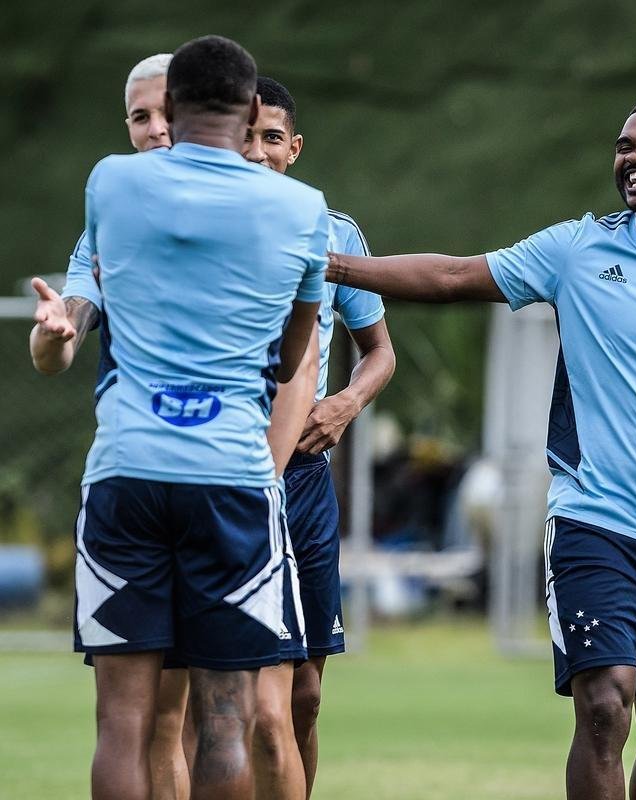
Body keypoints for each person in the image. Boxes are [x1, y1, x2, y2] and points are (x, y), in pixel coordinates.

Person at [324, 95, 636, 800]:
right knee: (604, 705)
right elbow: (452, 276)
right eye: (624, 146)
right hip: (593, 519)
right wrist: (330, 265)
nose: (634, 157)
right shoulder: (577, 249)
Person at [53, 35, 327, 800]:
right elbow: (292, 354)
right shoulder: (301, 209)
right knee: (226, 721)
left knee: (123, 725)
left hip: (127, 470)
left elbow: (101, 287)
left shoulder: (111, 182)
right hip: (231, 477)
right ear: (253, 112)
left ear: (169, 108)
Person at [28, 52, 194, 800]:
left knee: (220, 714)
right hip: (132, 477)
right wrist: (55, 332)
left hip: (230, 477)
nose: (155, 130)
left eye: (168, 112)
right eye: (139, 117)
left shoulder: (257, 209)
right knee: (146, 719)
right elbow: (62, 342)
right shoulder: (109, 220)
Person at [241, 76, 395, 800]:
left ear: (294, 147)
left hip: (303, 477)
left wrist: (345, 404)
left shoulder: (333, 233)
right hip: (226, 470)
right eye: (245, 135)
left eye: (272, 137)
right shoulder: (200, 226)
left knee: (303, 692)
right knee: (227, 692)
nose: (258, 150)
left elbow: (379, 351)